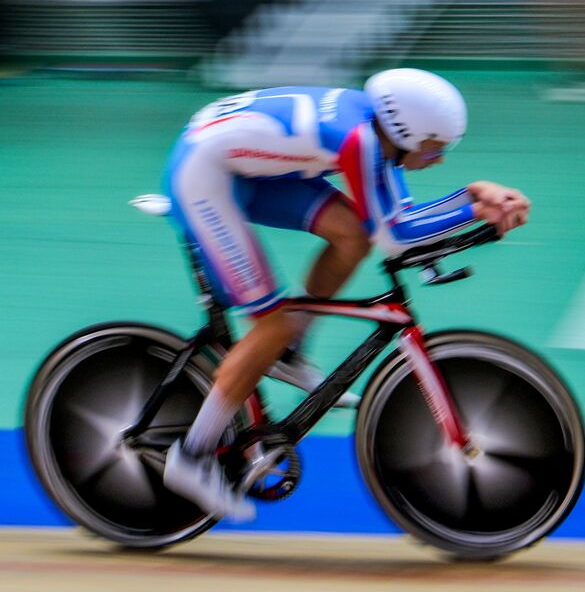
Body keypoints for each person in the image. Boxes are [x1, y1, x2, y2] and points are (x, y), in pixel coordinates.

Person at [160, 69, 530, 520]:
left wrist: (476, 196)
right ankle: (192, 456)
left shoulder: (377, 131)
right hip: (205, 177)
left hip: (239, 163)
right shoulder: (361, 140)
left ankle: (287, 353)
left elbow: (394, 217)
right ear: (406, 132)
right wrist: (475, 205)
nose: (439, 159)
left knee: (353, 236)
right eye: (435, 148)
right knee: (270, 323)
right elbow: (397, 235)